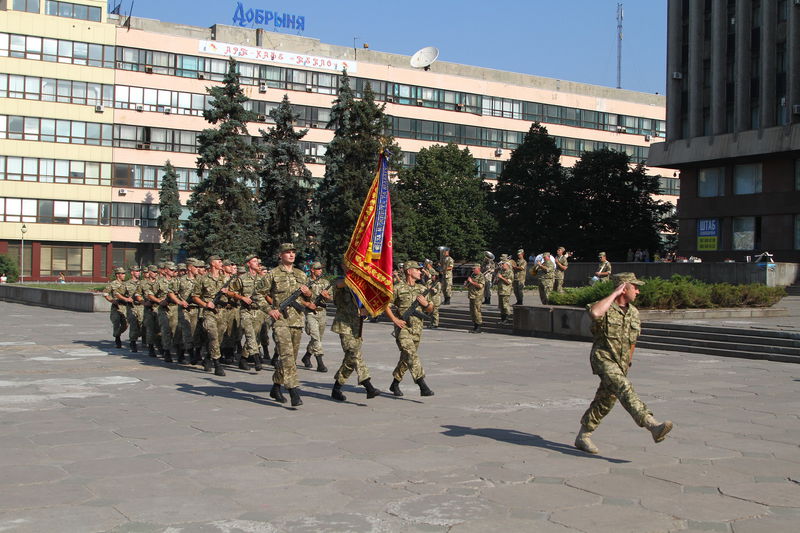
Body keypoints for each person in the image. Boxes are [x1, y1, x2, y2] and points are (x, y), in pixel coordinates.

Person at [574, 273, 673, 455]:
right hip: (604, 358)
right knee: (625, 388)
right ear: (624, 288)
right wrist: (614, 294)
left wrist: (628, 362)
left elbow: (632, 341)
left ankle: (583, 435)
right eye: (634, 286)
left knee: (605, 400)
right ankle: (651, 424)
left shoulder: (634, 312)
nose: (638, 290)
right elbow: (594, 313)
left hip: (621, 364)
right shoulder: (605, 308)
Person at [262, 243, 314, 407]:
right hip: (281, 321)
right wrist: (269, 310)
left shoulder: (301, 274)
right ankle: (293, 391)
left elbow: (309, 299)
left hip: (297, 321)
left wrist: (308, 293)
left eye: (293, 252)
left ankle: (276, 387)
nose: (291, 255)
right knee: (287, 356)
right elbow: (258, 294)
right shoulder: (272, 274)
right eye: (287, 252)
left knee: (289, 357)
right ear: (280, 255)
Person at [385, 261, 435, 397]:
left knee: (406, 359)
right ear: (409, 271)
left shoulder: (421, 288)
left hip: (417, 328)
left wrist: (426, 304)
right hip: (403, 328)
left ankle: (395, 383)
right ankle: (422, 384)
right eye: (417, 270)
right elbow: (386, 305)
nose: (420, 272)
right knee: (412, 355)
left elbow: (431, 309)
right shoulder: (397, 288)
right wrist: (395, 320)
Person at [330, 276, 381, 401]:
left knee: (350, 359)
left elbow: (366, 303)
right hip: (344, 325)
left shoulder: (363, 284)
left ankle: (336, 389)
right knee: (355, 354)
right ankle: (368, 386)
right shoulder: (341, 281)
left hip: (357, 326)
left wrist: (366, 310)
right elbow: (337, 286)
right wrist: (353, 277)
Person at [191, 255, 232, 376]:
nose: (221, 263)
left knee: (218, 339)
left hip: (222, 312)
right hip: (209, 313)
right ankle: (217, 363)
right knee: (213, 335)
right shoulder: (203, 279)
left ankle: (208, 357)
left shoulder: (225, 279)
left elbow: (234, 294)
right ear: (212, 264)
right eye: (219, 261)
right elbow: (194, 296)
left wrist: (227, 292)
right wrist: (205, 304)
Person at [228, 254, 265, 372]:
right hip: (245, 311)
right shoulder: (242, 278)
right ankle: (256, 359)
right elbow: (230, 292)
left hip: (258, 311)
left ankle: (243, 359)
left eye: (258, 261)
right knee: (250, 335)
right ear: (248, 264)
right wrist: (242, 297)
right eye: (254, 261)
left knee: (255, 336)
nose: (257, 263)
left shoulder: (263, 279)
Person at [301, 261, 332, 372]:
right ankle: (320, 363)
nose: (320, 270)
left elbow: (331, 298)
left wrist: (326, 296)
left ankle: (307, 356)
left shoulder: (325, 282)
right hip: (310, 313)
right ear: (312, 270)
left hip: (322, 312)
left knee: (318, 339)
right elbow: (298, 299)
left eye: (321, 268)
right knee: (315, 337)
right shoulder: (305, 282)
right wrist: (308, 304)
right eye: (318, 268)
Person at [102, 267, 129, 349]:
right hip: (116, 307)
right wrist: (111, 301)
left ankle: (117, 334)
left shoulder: (126, 284)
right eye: (122, 273)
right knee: (116, 323)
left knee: (126, 325)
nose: (124, 275)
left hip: (125, 307)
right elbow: (105, 293)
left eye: (124, 273)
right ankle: (117, 339)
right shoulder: (112, 284)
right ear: (118, 275)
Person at [465, 264, 485, 333]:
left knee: (477, 311)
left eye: (474, 269)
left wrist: (472, 282)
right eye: (472, 269)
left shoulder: (481, 276)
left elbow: (480, 286)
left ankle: (478, 326)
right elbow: (469, 285)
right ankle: (475, 326)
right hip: (471, 295)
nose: (473, 270)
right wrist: (467, 283)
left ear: (478, 269)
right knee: (472, 312)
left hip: (477, 296)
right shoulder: (473, 275)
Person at [422, 259, 441, 329]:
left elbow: (437, 291)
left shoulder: (437, 283)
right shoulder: (431, 282)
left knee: (435, 312)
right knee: (432, 312)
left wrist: (433, 289)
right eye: (432, 276)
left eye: (433, 276)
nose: (432, 276)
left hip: (436, 299)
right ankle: (432, 323)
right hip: (431, 299)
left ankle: (435, 324)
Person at [495, 257, 513, 324]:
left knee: (505, 306)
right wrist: (497, 279)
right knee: (501, 306)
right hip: (500, 291)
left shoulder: (510, 272)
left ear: (507, 265)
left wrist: (501, 277)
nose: (502, 266)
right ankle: (502, 319)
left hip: (506, 291)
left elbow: (509, 282)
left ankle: (507, 319)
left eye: (503, 264)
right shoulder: (501, 271)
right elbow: (497, 281)